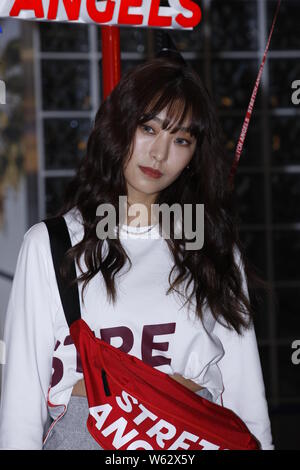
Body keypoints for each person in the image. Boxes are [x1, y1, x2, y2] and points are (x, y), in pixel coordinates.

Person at [0, 55, 274, 450]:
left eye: (181, 140)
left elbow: (245, 389)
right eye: (149, 128)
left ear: (194, 154)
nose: (160, 153)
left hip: (193, 438)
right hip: (91, 435)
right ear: (119, 125)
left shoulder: (209, 245)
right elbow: (22, 403)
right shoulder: (54, 243)